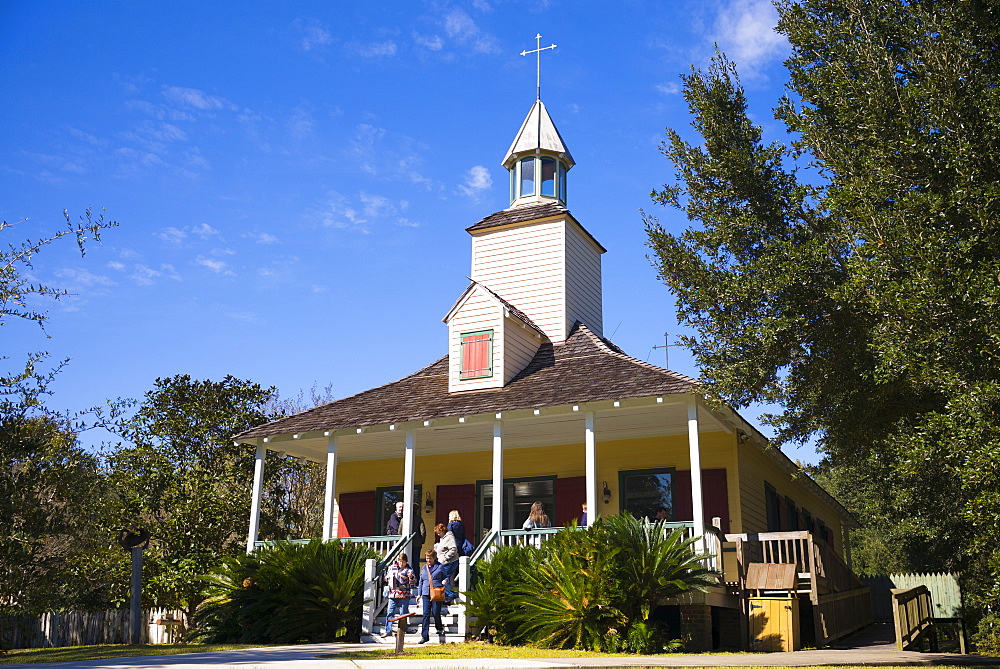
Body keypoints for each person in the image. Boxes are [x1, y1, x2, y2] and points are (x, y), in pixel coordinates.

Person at [381, 553, 415, 637]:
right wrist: (388, 578)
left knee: (403, 613)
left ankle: (402, 630)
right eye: (400, 561)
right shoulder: (392, 568)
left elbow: (413, 582)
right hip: (393, 594)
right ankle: (388, 630)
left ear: (406, 562)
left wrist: (410, 578)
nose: (401, 563)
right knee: (390, 611)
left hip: (404, 594)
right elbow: (386, 578)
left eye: (403, 562)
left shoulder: (409, 570)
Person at [417, 549, 448, 643]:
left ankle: (439, 627)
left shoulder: (439, 567)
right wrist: (419, 594)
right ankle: (424, 636)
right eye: (427, 558)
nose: (428, 560)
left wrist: (444, 581)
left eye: (430, 558)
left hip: (436, 592)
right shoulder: (424, 568)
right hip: (426, 593)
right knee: (426, 614)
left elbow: (446, 576)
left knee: (435, 612)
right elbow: (421, 581)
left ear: (434, 558)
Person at [434, 522, 459, 600]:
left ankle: (451, 595)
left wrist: (445, 558)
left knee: (443, 577)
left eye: (439, 533)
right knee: (445, 577)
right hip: (445, 562)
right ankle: (448, 595)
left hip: (449, 562)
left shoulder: (449, 537)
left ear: (442, 531)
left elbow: (453, 549)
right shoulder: (443, 538)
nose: (438, 535)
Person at [411, 502, 426, 567]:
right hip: (417, 544)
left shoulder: (404, 519)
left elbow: (400, 532)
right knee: (415, 562)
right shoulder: (419, 519)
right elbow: (423, 531)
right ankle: (416, 576)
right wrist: (421, 541)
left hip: (406, 544)